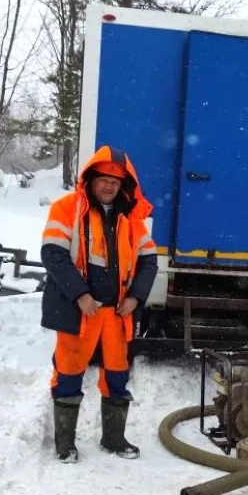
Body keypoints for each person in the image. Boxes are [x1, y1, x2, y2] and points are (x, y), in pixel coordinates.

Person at [40, 146, 157, 462]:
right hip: (79, 311)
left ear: (123, 186)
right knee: (68, 373)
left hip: (117, 315)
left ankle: (114, 439)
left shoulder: (131, 218)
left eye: (115, 182)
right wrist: (80, 294)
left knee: (118, 375)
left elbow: (149, 262)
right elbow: (53, 254)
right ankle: (65, 444)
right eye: (104, 179)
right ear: (91, 179)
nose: (109, 186)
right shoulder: (67, 208)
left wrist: (135, 297)